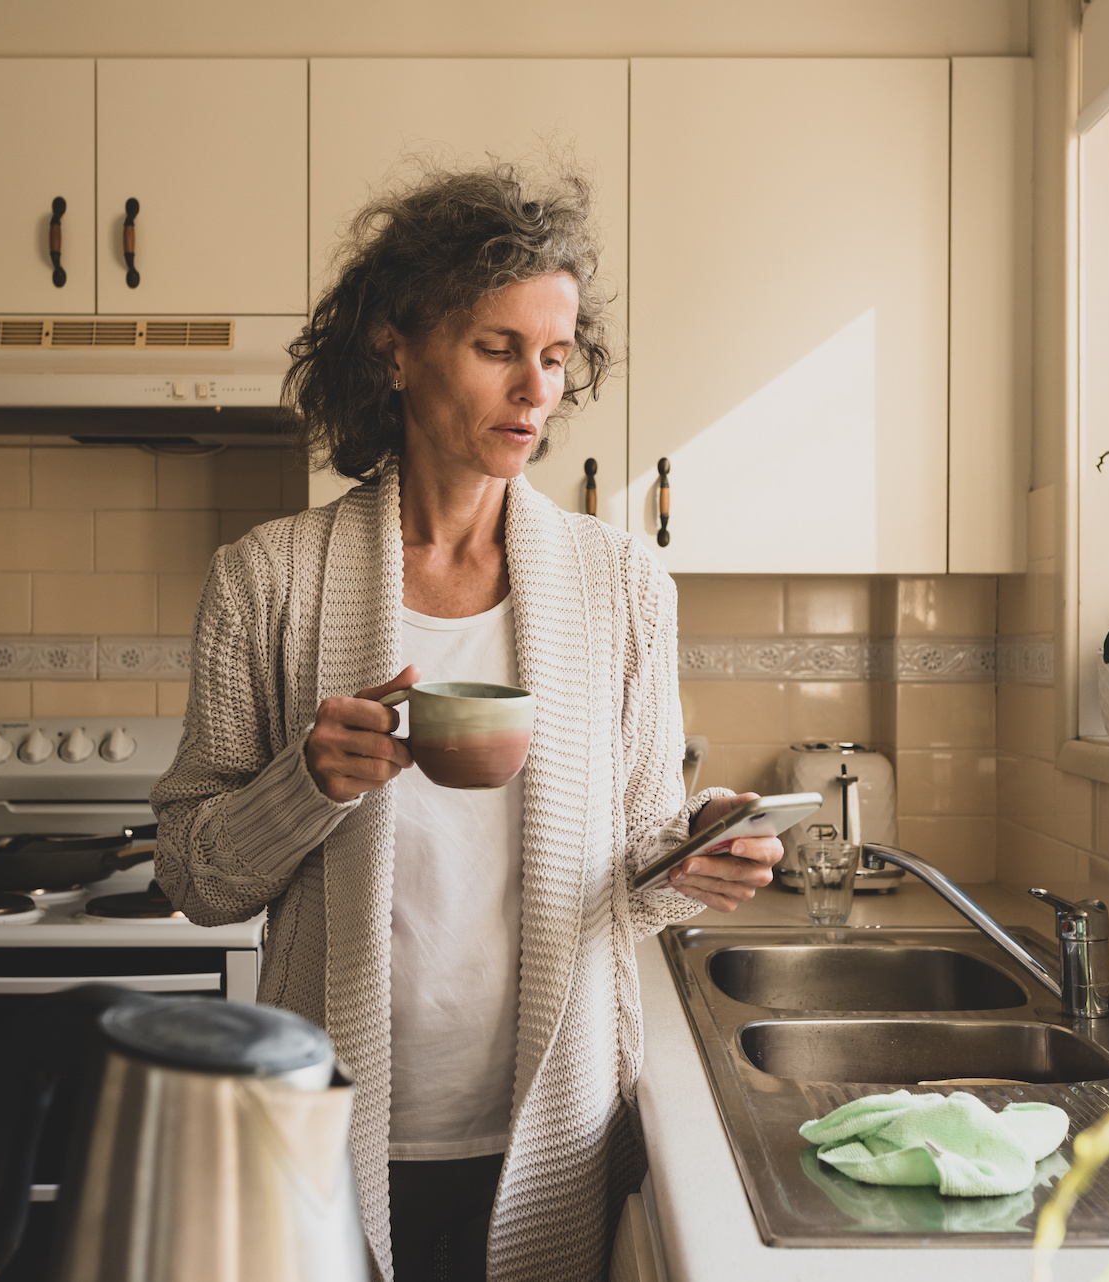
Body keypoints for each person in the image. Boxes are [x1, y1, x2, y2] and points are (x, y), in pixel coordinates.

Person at [150, 163, 781, 1282]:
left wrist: (698, 856)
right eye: (497, 349)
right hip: (331, 1124)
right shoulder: (268, 579)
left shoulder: (621, 586)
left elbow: (633, 866)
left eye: (554, 355)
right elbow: (196, 875)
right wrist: (309, 781)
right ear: (395, 348)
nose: (534, 391)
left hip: (554, 1124)